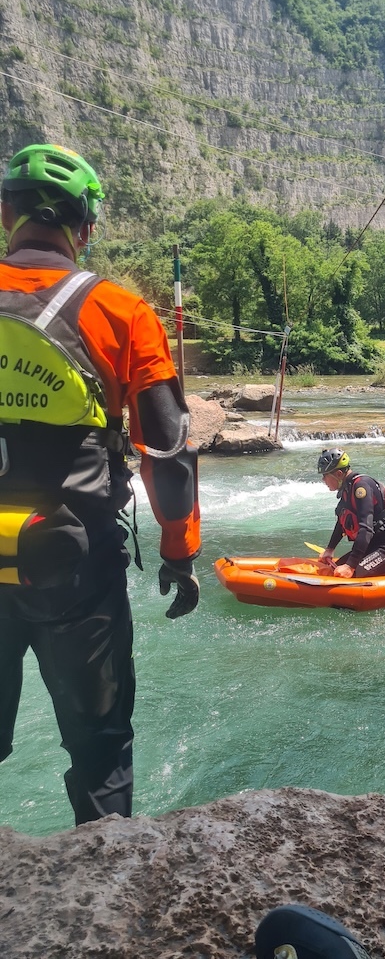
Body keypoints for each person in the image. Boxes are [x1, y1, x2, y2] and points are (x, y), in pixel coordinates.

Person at [0, 143, 201, 827]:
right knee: (101, 752)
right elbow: (168, 454)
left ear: (6, 214)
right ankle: (104, 906)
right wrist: (179, 552)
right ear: (85, 228)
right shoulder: (121, 312)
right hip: (74, 568)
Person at [318, 448, 385, 577]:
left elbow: (366, 529)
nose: (323, 480)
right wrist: (330, 549)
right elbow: (341, 523)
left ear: (339, 474)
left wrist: (350, 566)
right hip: (370, 547)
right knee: (332, 571)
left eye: (325, 476)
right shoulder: (347, 488)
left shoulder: (361, 487)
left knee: (350, 575)